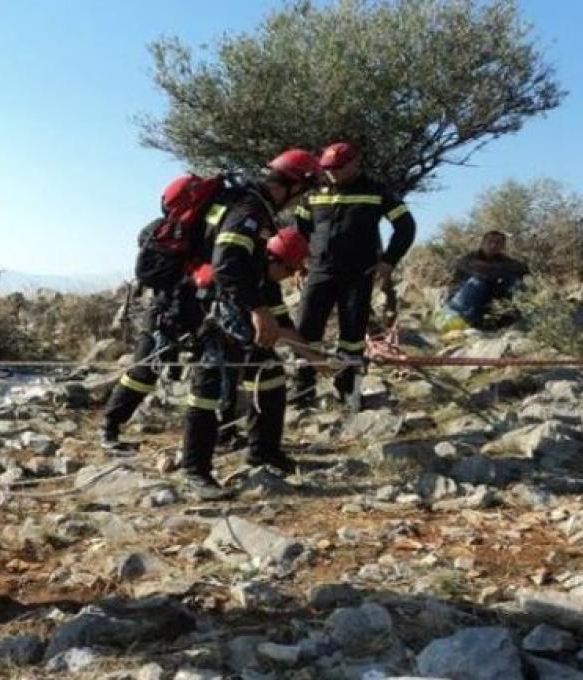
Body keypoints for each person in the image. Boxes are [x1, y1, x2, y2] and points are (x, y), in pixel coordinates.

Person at [181, 150, 322, 500]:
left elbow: (257, 278)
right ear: (292, 185)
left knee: (268, 373)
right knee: (208, 389)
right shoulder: (249, 210)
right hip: (215, 310)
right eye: (303, 191)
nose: (301, 199)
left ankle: (264, 451)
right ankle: (195, 471)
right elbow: (227, 264)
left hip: (231, 303)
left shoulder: (255, 207)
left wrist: (309, 353)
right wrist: (258, 311)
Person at [100, 177, 243, 453]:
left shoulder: (173, 229)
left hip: (165, 307)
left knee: (144, 371)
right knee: (218, 368)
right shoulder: (216, 221)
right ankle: (225, 432)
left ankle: (109, 427)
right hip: (198, 308)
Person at [291, 141, 416, 408]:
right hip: (319, 271)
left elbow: (406, 226)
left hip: (358, 274)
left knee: (352, 334)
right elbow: (300, 230)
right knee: (306, 329)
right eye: (327, 168)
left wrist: (389, 261)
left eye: (338, 167)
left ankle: (347, 389)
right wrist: (298, 263)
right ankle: (303, 388)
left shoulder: (376, 190)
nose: (332, 173)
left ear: (354, 164)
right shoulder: (313, 191)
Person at [436, 230, 529, 331]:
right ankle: (466, 321)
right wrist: (501, 271)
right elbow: (481, 271)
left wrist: (503, 273)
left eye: (498, 243)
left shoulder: (505, 261)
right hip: (460, 304)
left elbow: (522, 268)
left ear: (503, 246)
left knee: (514, 282)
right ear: (482, 243)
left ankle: (506, 320)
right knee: (478, 282)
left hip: (484, 302)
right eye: (490, 241)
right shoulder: (468, 259)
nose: (493, 245)